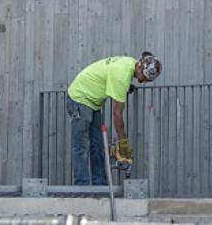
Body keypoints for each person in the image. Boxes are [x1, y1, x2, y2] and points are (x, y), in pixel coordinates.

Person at [66, 51, 161, 185]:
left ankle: (100, 186)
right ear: (141, 68)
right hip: (80, 97)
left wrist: (125, 87)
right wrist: (123, 143)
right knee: (81, 146)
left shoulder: (129, 64)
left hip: (93, 103)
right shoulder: (121, 76)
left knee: (98, 146)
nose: (144, 82)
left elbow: (111, 76)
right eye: (145, 78)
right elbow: (117, 115)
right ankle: (81, 188)